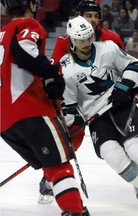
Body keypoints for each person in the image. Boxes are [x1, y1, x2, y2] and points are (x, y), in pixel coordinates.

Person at [60, 16, 138, 212]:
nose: (86, 43)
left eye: (89, 38)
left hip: (121, 105)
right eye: (81, 40)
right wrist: (68, 126)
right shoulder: (66, 69)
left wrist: (123, 87)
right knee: (111, 155)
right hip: (97, 118)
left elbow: (134, 65)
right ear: (72, 41)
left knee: (135, 148)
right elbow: (70, 107)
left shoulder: (107, 48)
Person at [0, 0, 89, 215]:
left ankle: (72, 206)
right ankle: (74, 211)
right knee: (59, 164)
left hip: (5, 122)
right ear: (31, 4)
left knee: (50, 164)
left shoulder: (1, 33)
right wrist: (50, 73)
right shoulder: (28, 25)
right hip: (29, 111)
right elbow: (23, 51)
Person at [39, 0, 125, 205]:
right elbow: (55, 72)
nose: (93, 20)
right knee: (70, 138)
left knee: (125, 139)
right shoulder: (64, 40)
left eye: (96, 16)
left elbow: (125, 65)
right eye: (89, 16)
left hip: (105, 99)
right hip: (74, 99)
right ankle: (50, 175)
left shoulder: (111, 38)